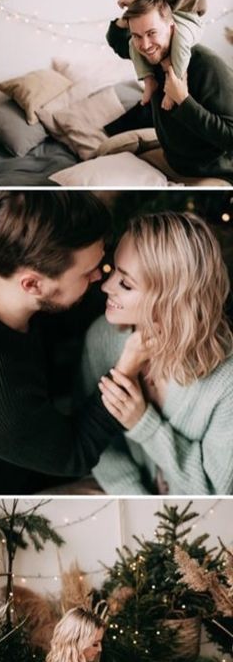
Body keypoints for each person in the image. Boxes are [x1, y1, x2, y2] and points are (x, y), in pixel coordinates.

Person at [0, 191, 135, 495]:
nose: (101, 278)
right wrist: (126, 368)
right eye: (88, 273)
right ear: (32, 284)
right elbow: (75, 455)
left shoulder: (36, 297)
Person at [80, 211, 233, 495]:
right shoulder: (101, 338)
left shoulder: (226, 380)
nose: (105, 286)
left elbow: (214, 492)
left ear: (172, 298)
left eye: (125, 283)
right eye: (114, 271)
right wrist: (135, 501)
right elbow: (100, 450)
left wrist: (143, 423)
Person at [106, 0, 233, 184]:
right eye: (137, 36)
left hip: (211, 172)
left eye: (151, 33)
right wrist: (128, 15)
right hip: (171, 160)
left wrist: (183, 100)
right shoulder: (149, 57)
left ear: (172, 28)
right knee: (107, 153)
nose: (145, 45)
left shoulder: (207, 65)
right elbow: (116, 40)